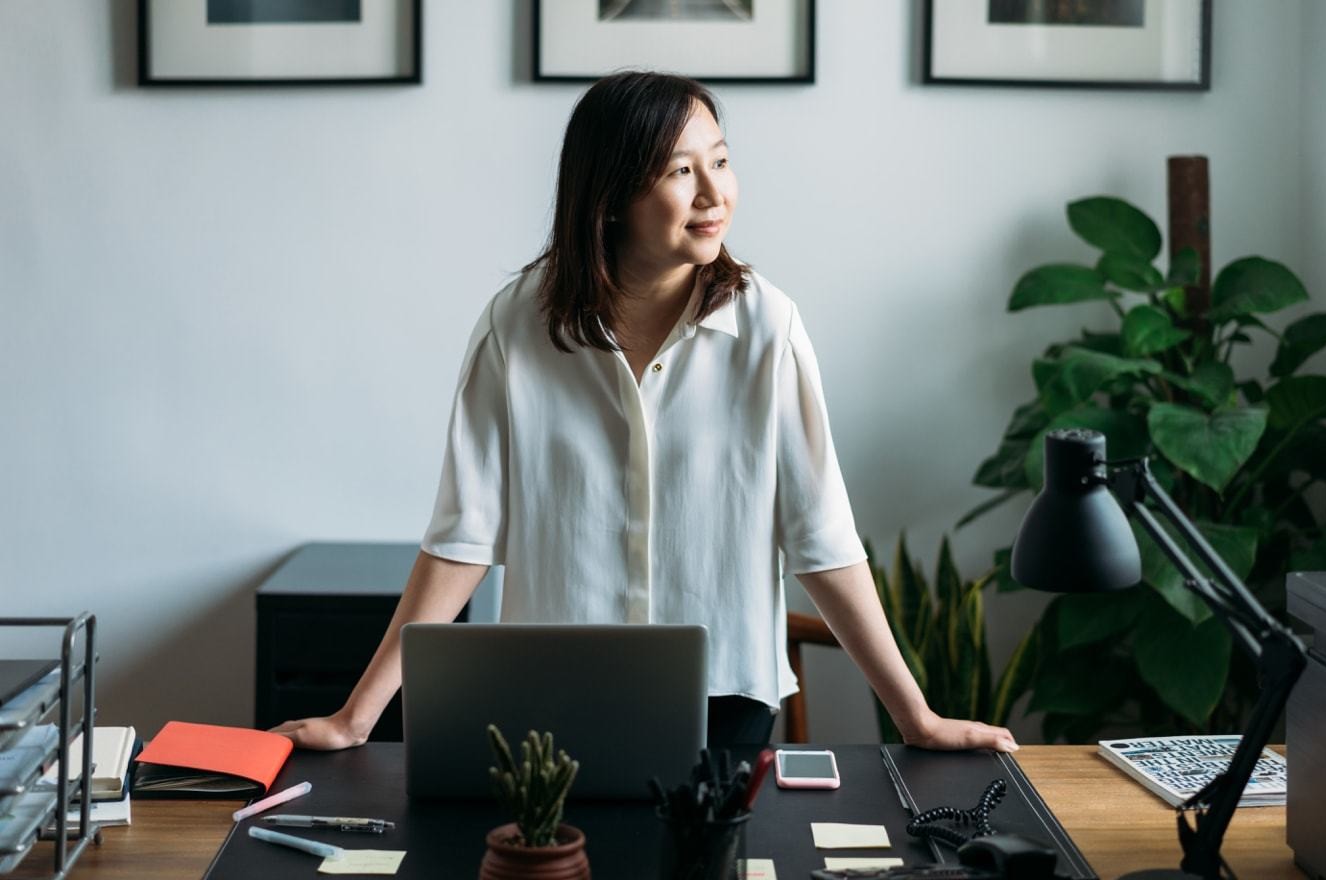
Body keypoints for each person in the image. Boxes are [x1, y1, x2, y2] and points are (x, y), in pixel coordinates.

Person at [271, 71, 1018, 754]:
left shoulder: (768, 327)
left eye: (720, 161)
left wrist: (917, 718)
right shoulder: (516, 327)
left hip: (725, 699)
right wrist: (356, 718)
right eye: (680, 171)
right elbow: (462, 538)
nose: (714, 194)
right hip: (551, 694)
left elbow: (821, 540)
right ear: (610, 197)